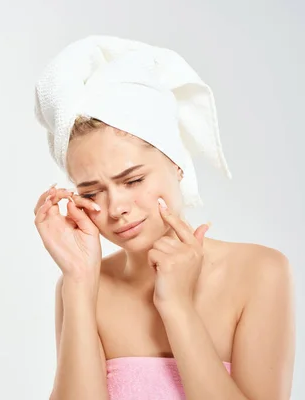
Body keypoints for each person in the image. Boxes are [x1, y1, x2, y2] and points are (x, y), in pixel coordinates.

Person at [32, 36, 295, 400]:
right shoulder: (83, 287)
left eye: (133, 180)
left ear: (177, 165)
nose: (115, 207)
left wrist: (177, 307)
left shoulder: (259, 272)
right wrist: (78, 283)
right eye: (92, 192)